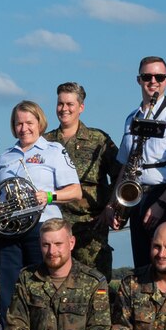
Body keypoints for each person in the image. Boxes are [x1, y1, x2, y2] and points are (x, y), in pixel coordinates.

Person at [0, 100, 81, 311]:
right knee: (8, 291)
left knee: (41, 287)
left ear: (39, 123)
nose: (24, 128)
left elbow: (75, 191)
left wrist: (49, 196)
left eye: (29, 122)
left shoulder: (54, 151)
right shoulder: (5, 157)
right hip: (8, 230)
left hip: (41, 228)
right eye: (19, 124)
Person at [105, 56, 166, 268]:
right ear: (139, 80)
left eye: (159, 76)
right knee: (141, 263)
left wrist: (162, 203)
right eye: (147, 76)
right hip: (136, 195)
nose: (153, 81)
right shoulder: (131, 118)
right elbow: (125, 165)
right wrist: (114, 203)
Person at [46, 81, 118, 274]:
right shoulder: (44, 142)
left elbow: (121, 177)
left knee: (95, 284)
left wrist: (111, 207)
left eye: (70, 104)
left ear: (81, 107)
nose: (64, 109)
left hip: (90, 226)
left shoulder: (99, 140)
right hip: (54, 225)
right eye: (60, 104)